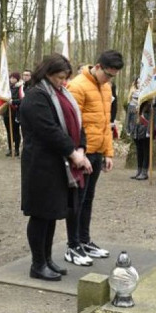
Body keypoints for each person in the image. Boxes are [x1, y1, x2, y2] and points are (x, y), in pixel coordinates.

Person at [19, 53, 91, 281]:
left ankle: (48, 259)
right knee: (41, 214)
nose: (64, 82)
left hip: (59, 165)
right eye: (60, 77)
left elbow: (76, 123)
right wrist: (72, 153)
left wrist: (80, 147)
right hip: (40, 164)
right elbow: (49, 130)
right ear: (48, 73)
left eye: (66, 77)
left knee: (51, 214)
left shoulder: (62, 94)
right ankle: (37, 264)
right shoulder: (35, 97)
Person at [63, 50, 122, 265]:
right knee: (76, 199)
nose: (109, 79)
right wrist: (79, 153)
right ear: (97, 67)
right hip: (81, 154)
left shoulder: (106, 87)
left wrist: (108, 152)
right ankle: (72, 245)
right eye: (107, 74)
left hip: (98, 152)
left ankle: (84, 240)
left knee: (88, 198)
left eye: (113, 76)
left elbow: (105, 123)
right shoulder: (77, 86)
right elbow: (72, 124)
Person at [125, 77, 150, 181]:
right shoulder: (131, 99)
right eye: (137, 82)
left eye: (141, 82)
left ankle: (145, 171)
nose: (139, 84)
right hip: (134, 128)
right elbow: (129, 116)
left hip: (144, 127)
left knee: (145, 149)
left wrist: (149, 129)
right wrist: (128, 127)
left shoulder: (148, 99)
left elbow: (150, 115)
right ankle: (139, 170)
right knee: (139, 149)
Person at [3, 71, 22, 157]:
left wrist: (13, 101)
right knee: (8, 131)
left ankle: (17, 149)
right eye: (11, 78)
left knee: (16, 131)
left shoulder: (20, 88)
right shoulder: (7, 88)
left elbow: (21, 99)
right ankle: (10, 148)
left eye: (14, 78)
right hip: (7, 112)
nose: (12, 79)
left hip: (15, 112)